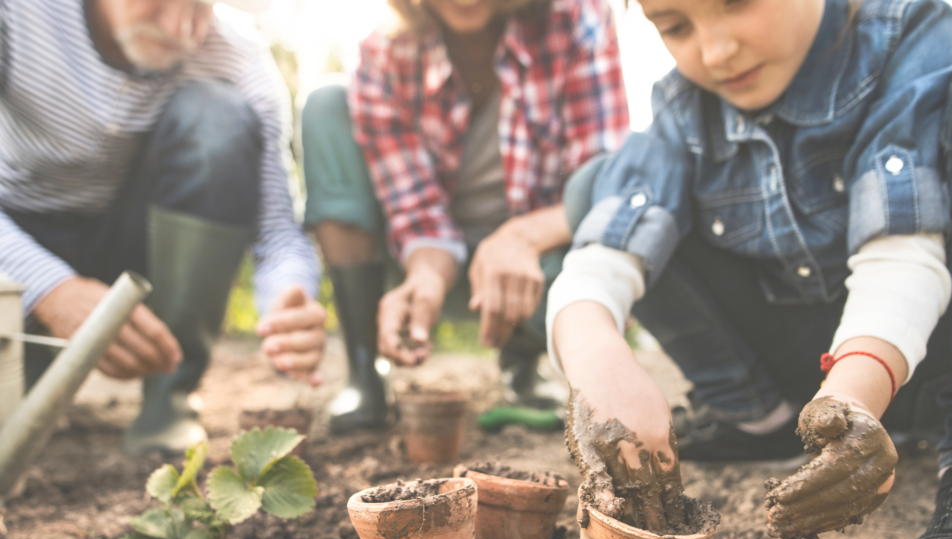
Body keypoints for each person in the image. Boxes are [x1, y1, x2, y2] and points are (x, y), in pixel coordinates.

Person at [548, 0, 952, 539]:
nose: (714, 52)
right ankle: (759, 420)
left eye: (735, 4)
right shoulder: (685, 104)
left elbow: (902, 253)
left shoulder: (903, 33)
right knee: (597, 190)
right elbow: (604, 255)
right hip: (809, 369)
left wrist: (855, 395)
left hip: (936, 351)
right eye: (675, 25)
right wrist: (600, 362)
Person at [0, 0, 327, 456]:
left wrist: (289, 295)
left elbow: (277, 233)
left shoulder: (238, 56)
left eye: (202, 5)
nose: (180, 28)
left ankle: (169, 396)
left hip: (140, 247)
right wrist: (49, 288)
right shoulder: (17, 14)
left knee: (218, 117)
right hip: (14, 247)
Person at [300, 0, 629, 433]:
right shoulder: (385, 54)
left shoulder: (578, 19)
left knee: (601, 250)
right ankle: (365, 367)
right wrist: (427, 277)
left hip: (541, 263)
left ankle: (524, 357)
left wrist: (521, 239)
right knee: (326, 103)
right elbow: (416, 213)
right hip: (436, 263)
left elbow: (604, 184)